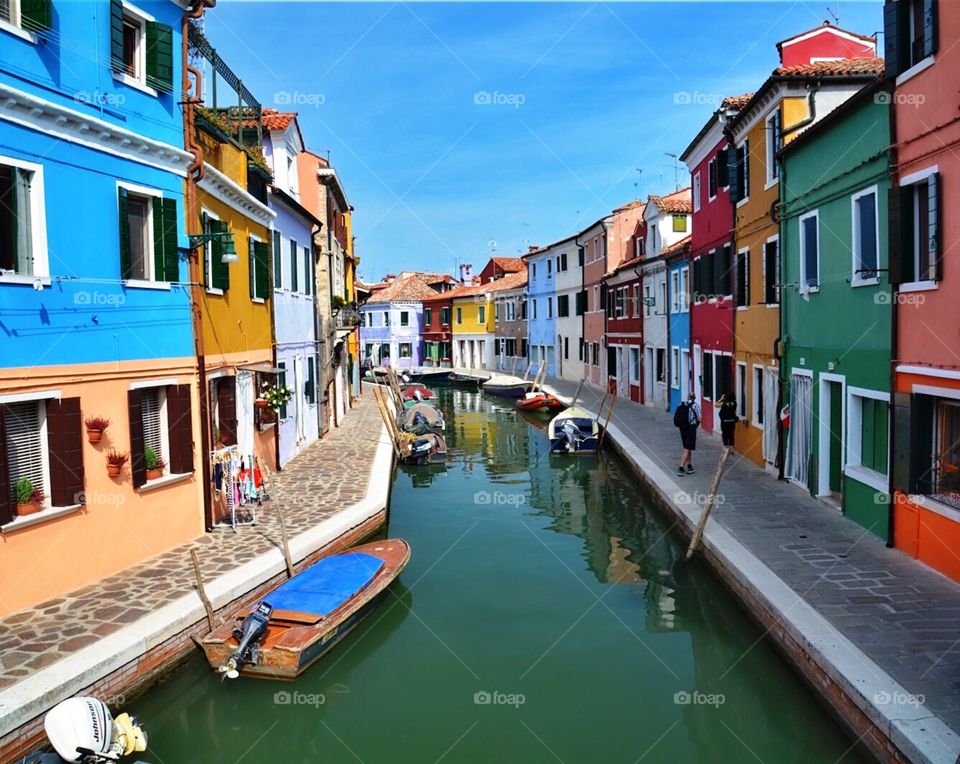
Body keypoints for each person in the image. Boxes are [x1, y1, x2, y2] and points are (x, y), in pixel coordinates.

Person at [674, 392, 701, 476]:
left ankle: (689, 467)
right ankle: (681, 468)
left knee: (687, 446)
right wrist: (696, 425)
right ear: (695, 398)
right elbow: (700, 418)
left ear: (688, 397)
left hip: (682, 428)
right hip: (691, 428)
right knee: (687, 448)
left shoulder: (681, 404)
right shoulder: (696, 406)